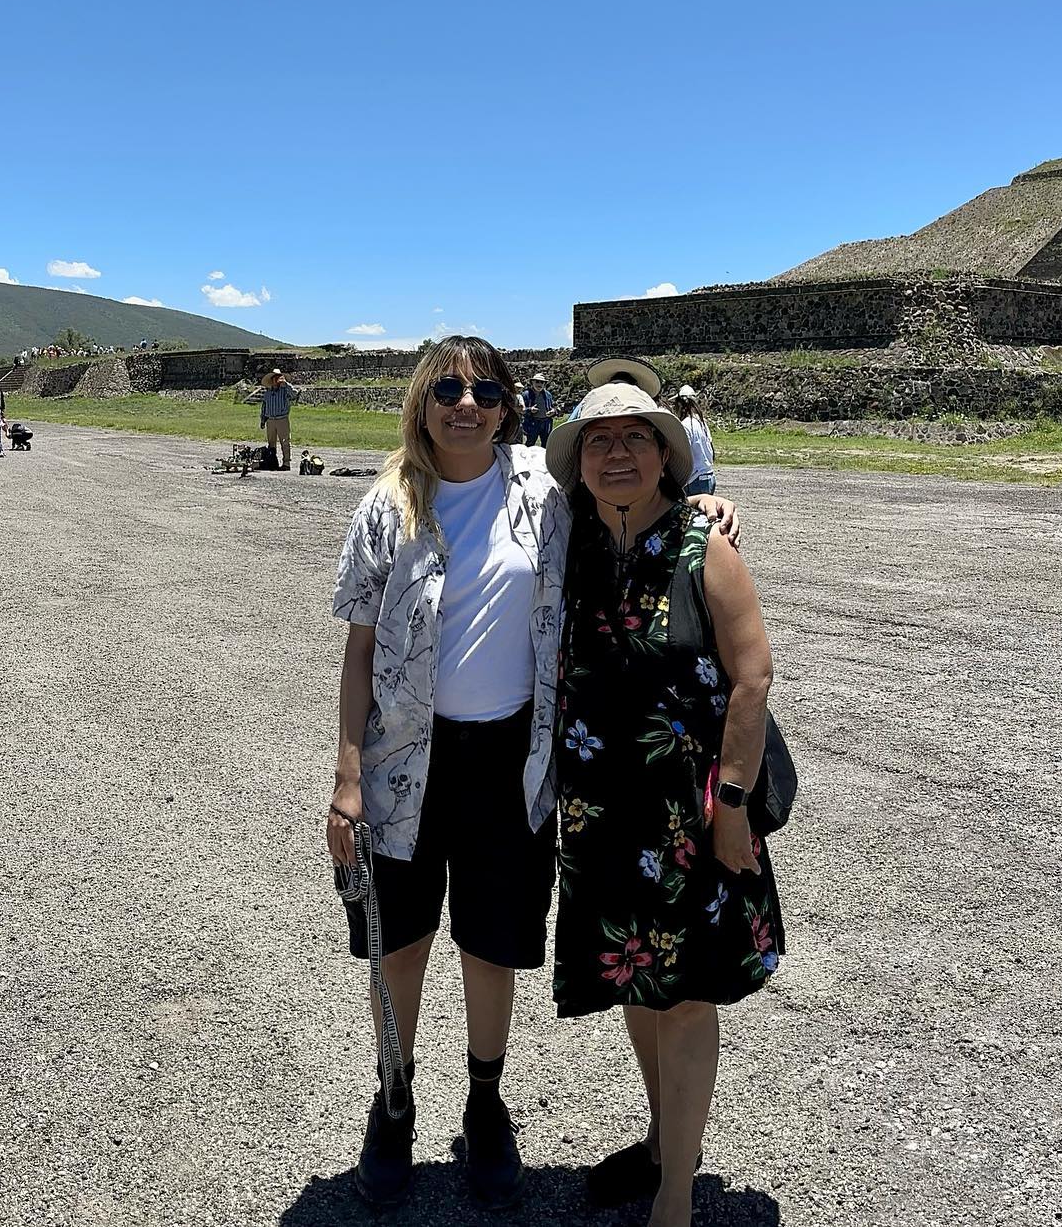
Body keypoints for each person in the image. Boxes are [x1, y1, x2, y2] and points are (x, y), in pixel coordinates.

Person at [326, 337, 740, 1212]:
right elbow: (359, 653)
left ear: (510, 405)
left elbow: (640, 499)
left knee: (493, 944)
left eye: (483, 389)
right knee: (400, 945)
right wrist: (347, 775)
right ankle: (394, 1101)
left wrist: (708, 502)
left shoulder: (545, 493)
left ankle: (485, 1103)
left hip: (512, 759)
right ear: (421, 401)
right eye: (446, 388)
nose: (464, 403)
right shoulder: (384, 508)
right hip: (406, 761)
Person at [544, 384, 783, 1227]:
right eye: (598, 440)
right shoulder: (567, 541)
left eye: (635, 439)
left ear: (665, 454)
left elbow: (751, 676)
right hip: (600, 813)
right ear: (576, 461)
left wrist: (731, 806)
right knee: (638, 982)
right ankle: (658, 1143)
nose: (617, 454)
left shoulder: (699, 543)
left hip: (692, 815)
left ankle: (675, 1198)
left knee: (685, 999)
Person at [244, 368, 302, 471]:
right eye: (275, 378)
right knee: (271, 443)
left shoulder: (285, 390)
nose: (277, 380)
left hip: (282, 419)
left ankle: (286, 463)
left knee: (285, 441)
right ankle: (272, 461)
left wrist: (286, 384)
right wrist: (263, 420)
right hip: (270, 420)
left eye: (278, 377)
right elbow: (264, 407)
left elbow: (295, 394)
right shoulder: (268, 393)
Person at [674, 385, 716, 497]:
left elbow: (683, 454)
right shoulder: (702, 422)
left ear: (680, 404)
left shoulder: (685, 425)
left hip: (695, 480)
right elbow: (712, 449)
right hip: (708, 475)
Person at [522, 372, 556, 448]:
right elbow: (521, 409)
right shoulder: (526, 394)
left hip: (546, 423)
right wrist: (530, 409)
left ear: (544, 384)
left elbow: (553, 407)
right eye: (537, 381)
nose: (539, 384)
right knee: (530, 444)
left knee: (546, 444)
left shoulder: (548, 395)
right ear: (532, 382)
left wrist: (553, 411)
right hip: (533, 423)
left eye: (542, 382)